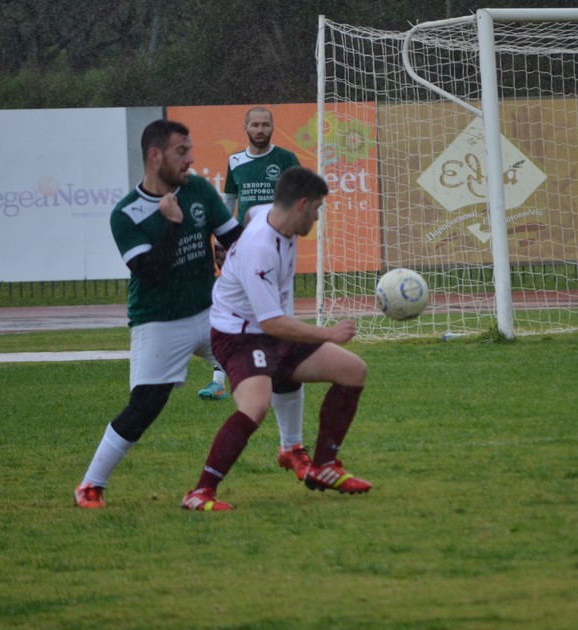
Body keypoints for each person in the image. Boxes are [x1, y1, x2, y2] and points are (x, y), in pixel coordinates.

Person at [73, 119, 246, 509]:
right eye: (181, 151)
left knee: (269, 369)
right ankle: (90, 486)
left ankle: (297, 454)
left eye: (190, 150)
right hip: (159, 322)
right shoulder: (126, 214)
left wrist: (265, 239)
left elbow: (235, 239)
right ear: (155, 156)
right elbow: (151, 273)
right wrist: (172, 224)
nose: (191, 159)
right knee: (145, 407)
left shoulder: (198, 189)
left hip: (210, 313)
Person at [180, 167, 371, 511]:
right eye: (317, 208)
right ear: (301, 205)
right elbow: (271, 323)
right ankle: (200, 492)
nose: (318, 217)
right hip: (238, 336)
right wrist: (328, 334)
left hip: (269, 328)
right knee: (255, 406)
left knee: (352, 370)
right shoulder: (261, 248)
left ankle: (324, 466)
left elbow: (251, 213)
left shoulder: (268, 214)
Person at [199, 106, 311, 478]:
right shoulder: (236, 161)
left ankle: (288, 436)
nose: (260, 129)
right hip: (242, 252)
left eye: (265, 124)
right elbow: (229, 203)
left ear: (272, 127)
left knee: (278, 326)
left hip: (274, 249)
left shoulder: (286, 159)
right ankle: (225, 379)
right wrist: (221, 240)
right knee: (240, 320)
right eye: (255, 124)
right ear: (245, 128)